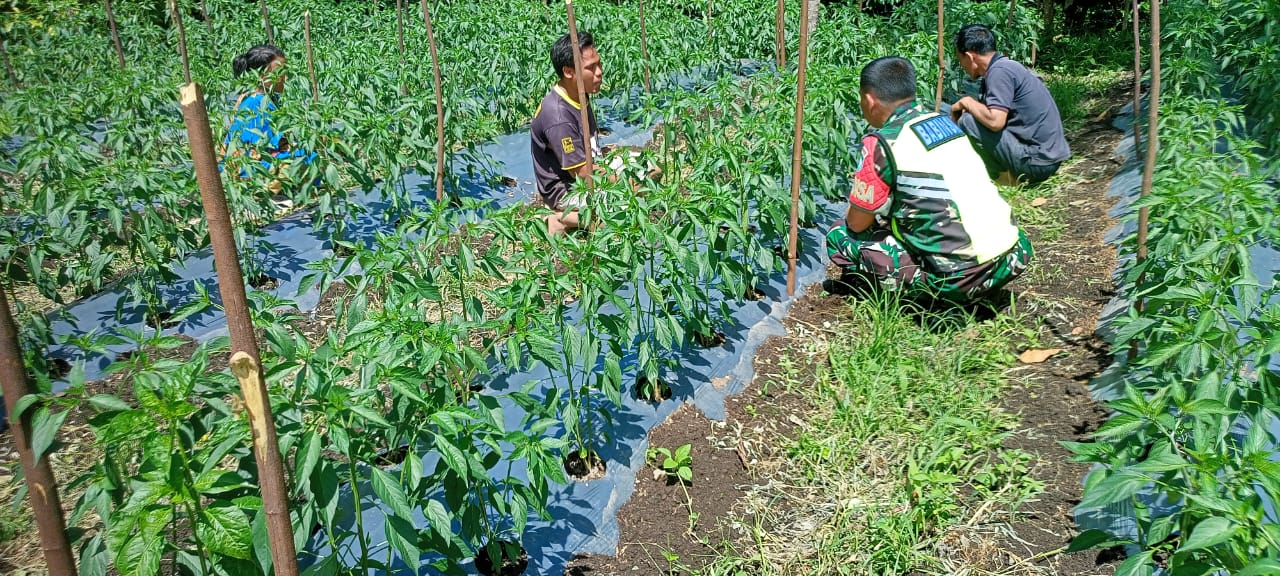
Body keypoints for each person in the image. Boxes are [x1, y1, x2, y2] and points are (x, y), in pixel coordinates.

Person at [825, 56, 1033, 302]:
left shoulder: (883, 143)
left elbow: (858, 223)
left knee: (840, 234)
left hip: (960, 280)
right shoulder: (942, 122)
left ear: (869, 100)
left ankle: (875, 290)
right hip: (1014, 256)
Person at [949, 24, 1070, 185]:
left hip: (1037, 162)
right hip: (1047, 158)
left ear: (970, 57)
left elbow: (996, 121)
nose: (962, 66)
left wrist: (968, 102)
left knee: (968, 121)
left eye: (960, 60)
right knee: (974, 115)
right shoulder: (1006, 66)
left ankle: (1003, 179)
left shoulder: (999, 72)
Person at [529, 32, 604, 236]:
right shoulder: (558, 116)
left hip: (586, 171)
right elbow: (582, 174)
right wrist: (621, 180)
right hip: (565, 189)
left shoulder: (578, 93)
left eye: (599, 64)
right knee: (616, 216)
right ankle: (561, 219)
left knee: (650, 169)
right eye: (590, 68)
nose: (599, 72)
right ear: (569, 72)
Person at [222, 44, 315, 190]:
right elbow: (259, 148)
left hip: (256, 159)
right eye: (279, 72)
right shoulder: (256, 102)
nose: (284, 77)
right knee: (307, 158)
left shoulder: (266, 98)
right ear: (261, 75)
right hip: (249, 168)